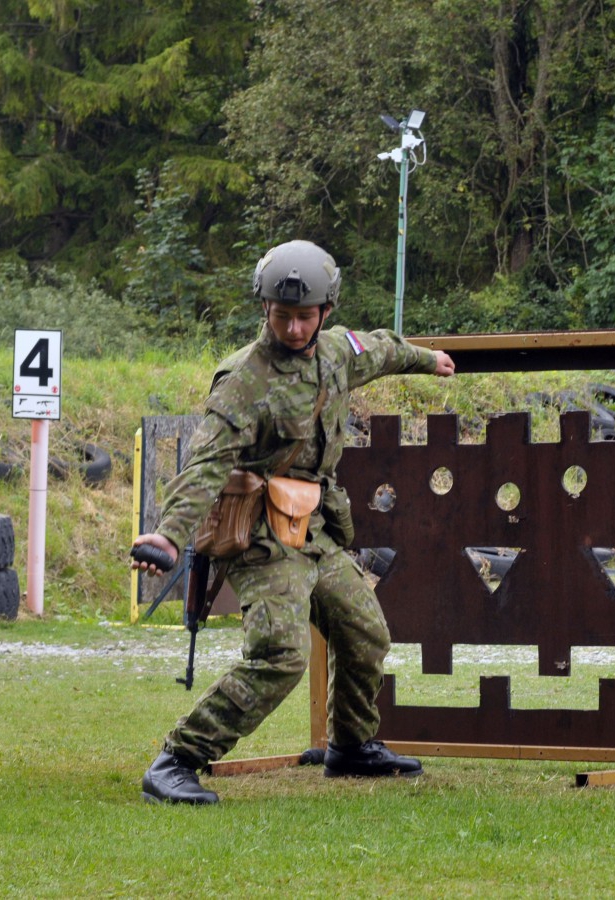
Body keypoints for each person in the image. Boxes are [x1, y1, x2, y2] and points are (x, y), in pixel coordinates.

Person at [131, 239, 456, 804]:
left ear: (326, 311)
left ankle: (351, 747)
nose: (296, 328)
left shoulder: (337, 353)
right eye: (284, 316)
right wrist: (167, 534)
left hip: (313, 528)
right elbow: (205, 467)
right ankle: (178, 759)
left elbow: (381, 349)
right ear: (265, 309)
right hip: (257, 535)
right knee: (281, 654)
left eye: (307, 316)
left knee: (365, 632)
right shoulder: (243, 380)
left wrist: (428, 359)